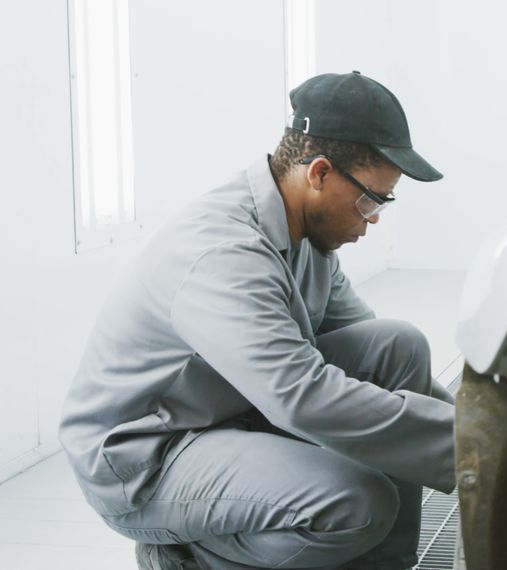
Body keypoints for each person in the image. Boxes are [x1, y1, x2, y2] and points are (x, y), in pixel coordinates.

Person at [58, 71, 456, 570]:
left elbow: (377, 375)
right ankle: (187, 555)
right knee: (357, 502)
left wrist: (494, 426)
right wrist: (482, 448)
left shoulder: (308, 238)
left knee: (398, 345)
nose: (374, 217)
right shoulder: (224, 251)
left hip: (229, 409)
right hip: (151, 456)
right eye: (373, 198)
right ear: (319, 174)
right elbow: (302, 395)